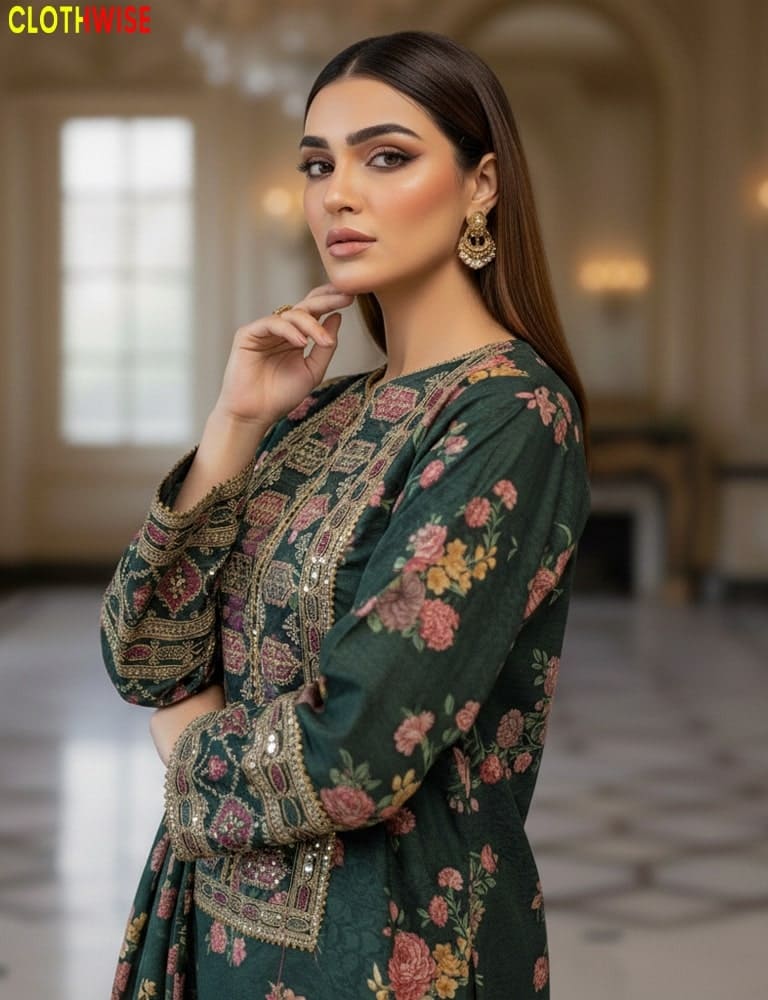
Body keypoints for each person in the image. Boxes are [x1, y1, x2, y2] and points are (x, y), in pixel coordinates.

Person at [101, 29, 591, 1000]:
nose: (338, 194)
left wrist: (188, 742)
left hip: (386, 947)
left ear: (482, 184)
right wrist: (235, 425)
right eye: (319, 165)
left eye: (387, 157)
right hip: (217, 922)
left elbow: (360, 748)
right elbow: (145, 658)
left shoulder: (511, 415)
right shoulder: (314, 412)